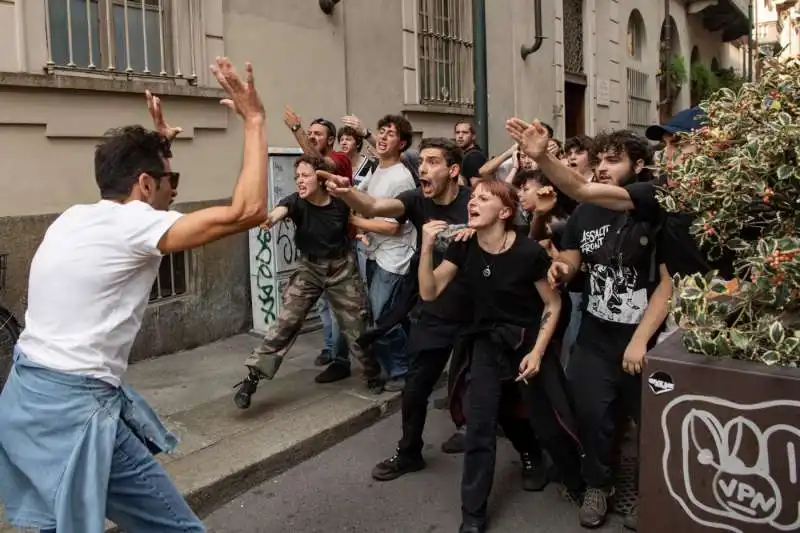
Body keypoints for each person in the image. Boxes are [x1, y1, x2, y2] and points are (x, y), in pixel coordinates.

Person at [0, 58, 265, 533]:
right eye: (170, 182)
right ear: (144, 185)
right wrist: (255, 122)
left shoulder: (73, 218)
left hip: (25, 397)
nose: (173, 191)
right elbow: (247, 211)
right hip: (73, 407)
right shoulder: (134, 225)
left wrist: (161, 147)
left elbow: (147, 212)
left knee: (58, 521)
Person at [420, 179, 584, 533]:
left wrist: (538, 353)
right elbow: (430, 291)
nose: (472, 202)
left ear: (506, 212)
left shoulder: (528, 252)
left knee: (548, 419)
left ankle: (580, 482)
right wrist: (426, 245)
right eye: (473, 197)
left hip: (526, 340)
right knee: (480, 426)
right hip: (485, 341)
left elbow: (553, 304)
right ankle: (473, 516)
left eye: (483, 198)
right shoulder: (462, 247)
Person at [234, 154, 383, 408]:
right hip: (310, 268)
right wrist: (268, 219)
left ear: (321, 178)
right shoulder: (296, 202)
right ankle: (252, 378)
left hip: (341, 269)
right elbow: (279, 211)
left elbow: (364, 209)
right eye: (296, 177)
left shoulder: (340, 202)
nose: (299, 182)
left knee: (356, 326)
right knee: (285, 323)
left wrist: (361, 231)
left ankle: (372, 373)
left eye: (305, 176)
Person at [348, 115, 417, 392]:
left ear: (401, 144)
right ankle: (418, 359)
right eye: (381, 131)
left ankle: (401, 371)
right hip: (376, 253)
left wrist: (357, 224)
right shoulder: (378, 169)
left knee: (383, 318)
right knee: (394, 314)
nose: (383, 137)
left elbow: (391, 228)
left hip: (394, 257)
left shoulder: (401, 178)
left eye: (391, 134)